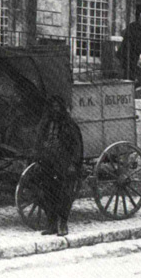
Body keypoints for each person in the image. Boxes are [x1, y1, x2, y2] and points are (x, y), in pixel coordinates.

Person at [34, 95, 83, 236]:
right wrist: (37, 159)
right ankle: (51, 224)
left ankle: (63, 224)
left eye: (57, 107)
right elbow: (38, 143)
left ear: (61, 108)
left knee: (64, 195)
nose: (54, 110)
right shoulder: (45, 125)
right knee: (47, 194)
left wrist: (73, 164)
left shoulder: (69, 125)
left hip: (64, 165)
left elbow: (77, 146)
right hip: (48, 164)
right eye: (52, 107)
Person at [118, 11, 141, 80]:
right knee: (130, 68)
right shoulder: (132, 26)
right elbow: (128, 37)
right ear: (139, 18)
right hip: (131, 50)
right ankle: (128, 80)